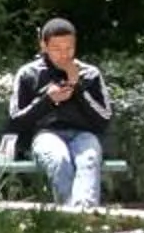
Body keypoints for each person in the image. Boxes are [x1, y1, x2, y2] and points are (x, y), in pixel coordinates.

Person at [6, 17, 113, 210]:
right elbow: (15, 122)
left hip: (83, 135)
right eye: (57, 49)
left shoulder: (90, 74)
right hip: (45, 136)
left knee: (88, 158)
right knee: (59, 159)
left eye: (69, 48)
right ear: (43, 46)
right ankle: (74, 219)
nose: (64, 55)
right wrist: (47, 100)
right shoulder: (28, 74)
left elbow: (104, 120)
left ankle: (82, 216)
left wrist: (78, 88)